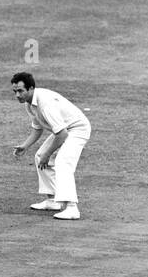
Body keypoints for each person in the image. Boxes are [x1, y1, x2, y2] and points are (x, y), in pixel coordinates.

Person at [10, 73, 92, 220]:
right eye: (15, 91)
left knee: (62, 162)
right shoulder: (29, 104)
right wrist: (25, 146)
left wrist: (48, 155)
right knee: (40, 156)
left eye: (20, 91)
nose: (17, 95)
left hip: (77, 129)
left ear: (31, 88)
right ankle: (53, 200)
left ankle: (72, 208)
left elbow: (62, 135)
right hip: (64, 129)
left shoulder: (45, 104)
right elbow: (37, 128)